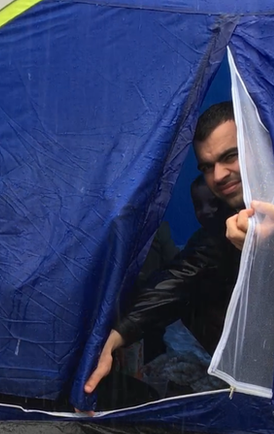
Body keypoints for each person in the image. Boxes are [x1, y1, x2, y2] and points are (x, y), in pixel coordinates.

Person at [84, 101, 246, 396]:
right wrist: (114, 337)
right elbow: (178, 278)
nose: (219, 176)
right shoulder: (221, 228)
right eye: (207, 167)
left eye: (231, 156)